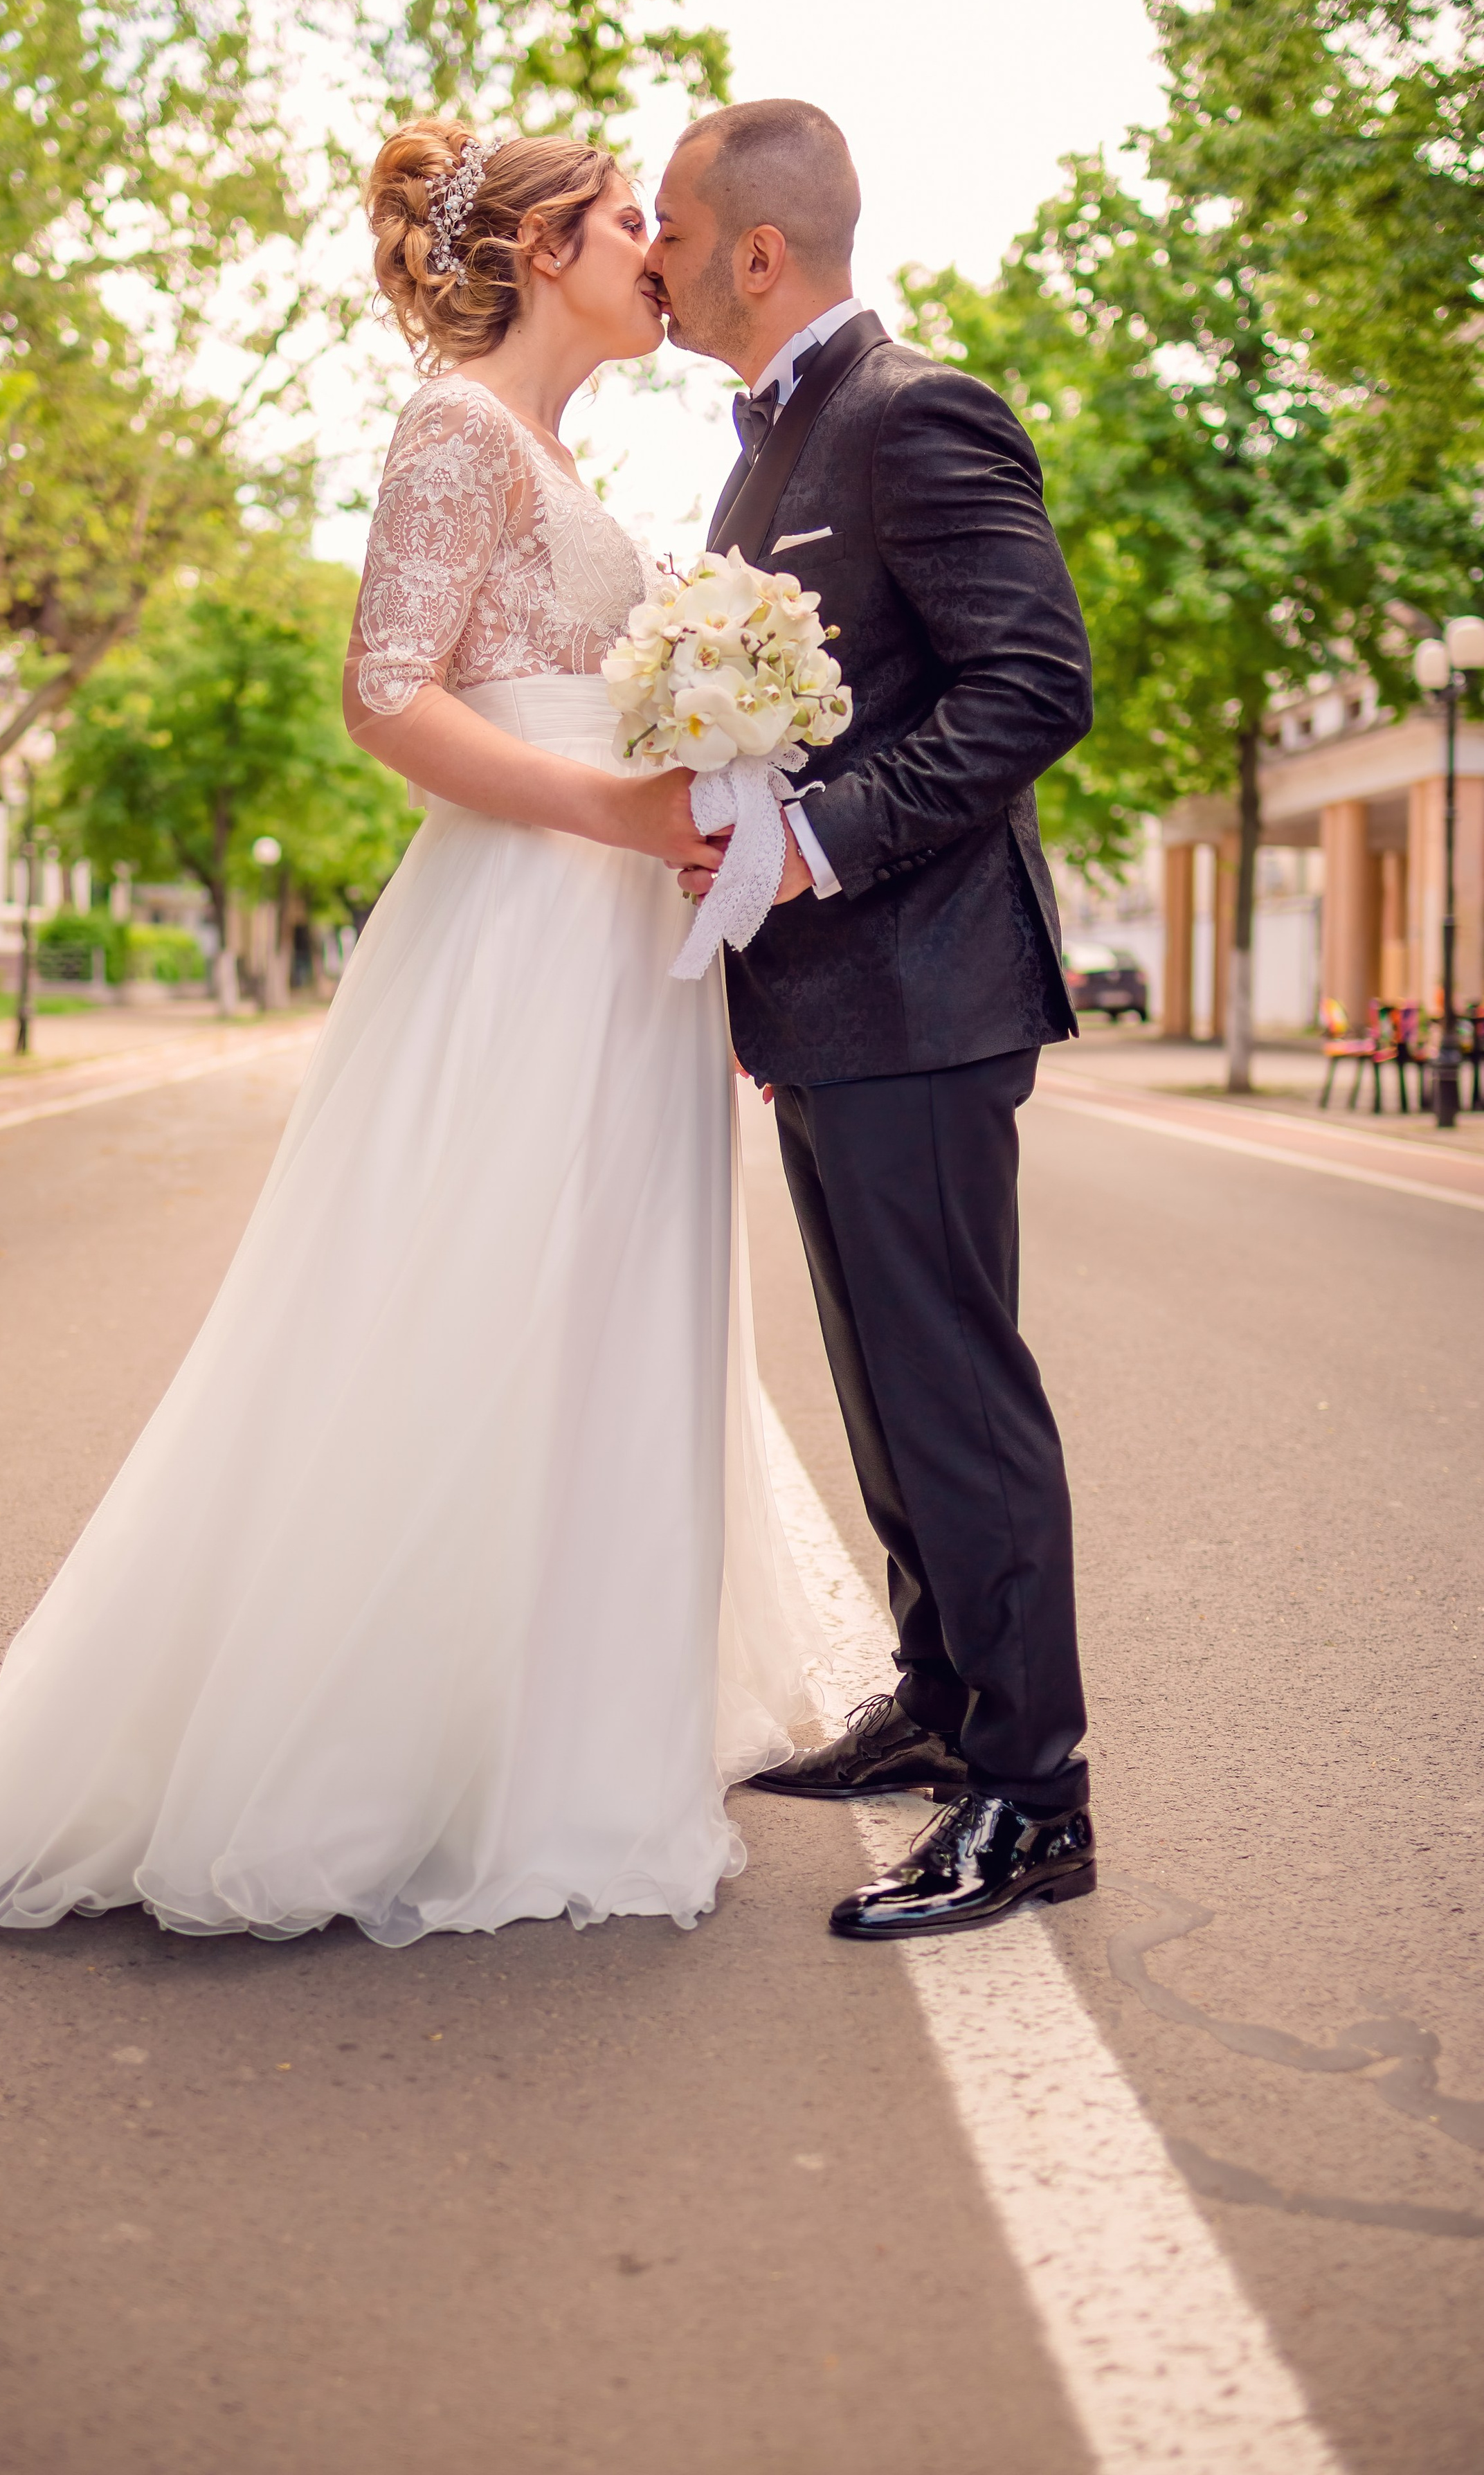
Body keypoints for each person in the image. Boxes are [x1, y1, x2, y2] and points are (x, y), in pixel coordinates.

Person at [0, 122, 822, 1946]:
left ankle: (564, 1723)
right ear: (545, 248)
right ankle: (384, 1751)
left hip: (623, 942)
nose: (658, 246)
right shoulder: (458, 427)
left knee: (604, 1310)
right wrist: (616, 815)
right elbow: (387, 694)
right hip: (527, 927)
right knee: (467, 1301)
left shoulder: (556, 447)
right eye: (630, 219)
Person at [646, 100, 1098, 1941]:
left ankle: (1036, 1796)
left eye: (672, 227)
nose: (654, 253)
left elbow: (1032, 686)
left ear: (762, 252)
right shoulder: (761, 452)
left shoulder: (916, 412)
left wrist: (817, 847)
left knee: (955, 1393)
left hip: (927, 993)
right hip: (824, 1006)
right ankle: (938, 1696)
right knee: (884, 1393)